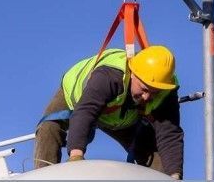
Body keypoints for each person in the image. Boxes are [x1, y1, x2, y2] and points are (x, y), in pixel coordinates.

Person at [33, 45, 184, 179]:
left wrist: (174, 176)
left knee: (153, 152)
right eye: (144, 89)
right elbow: (85, 113)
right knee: (49, 128)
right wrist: (76, 159)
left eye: (154, 92)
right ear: (133, 73)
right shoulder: (109, 76)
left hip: (122, 117)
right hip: (78, 99)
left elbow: (169, 134)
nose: (147, 97)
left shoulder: (166, 90)